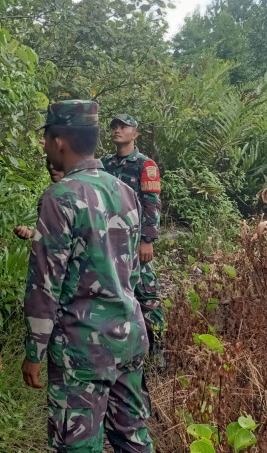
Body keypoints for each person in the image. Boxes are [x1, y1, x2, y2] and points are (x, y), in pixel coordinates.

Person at [22, 100, 153, 453]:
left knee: (78, 444)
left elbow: (44, 287)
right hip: (129, 335)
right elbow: (134, 275)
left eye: (46, 138)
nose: (45, 146)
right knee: (132, 437)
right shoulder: (124, 192)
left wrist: (34, 352)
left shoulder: (60, 197)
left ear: (60, 140)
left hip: (82, 349)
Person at [101, 115, 164, 360]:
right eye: (114, 127)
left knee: (147, 293)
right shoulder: (104, 164)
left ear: (135, 134)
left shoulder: (144, 165)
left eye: (123, 127)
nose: (117, 130)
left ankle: (157, 348)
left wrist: (147, 240)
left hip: (135, 241)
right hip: (108, 241)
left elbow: (151, 205)